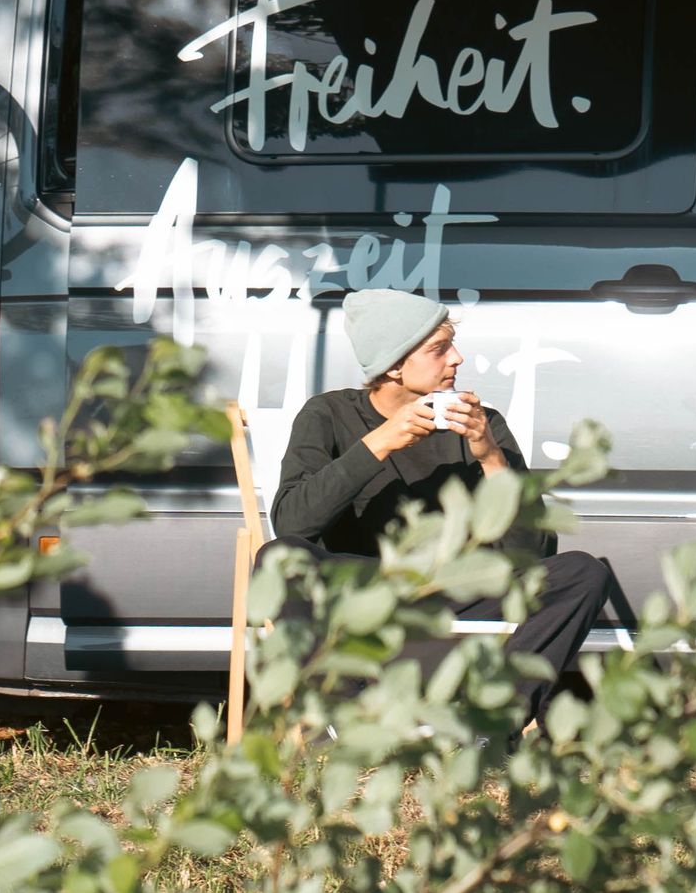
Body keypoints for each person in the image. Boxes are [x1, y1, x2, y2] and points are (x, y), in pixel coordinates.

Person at [260, 289, 624, 729]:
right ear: (392, 365)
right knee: (280, 559)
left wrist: (490, 456)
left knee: (583, 572)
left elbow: (534, 553)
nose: (457, 358)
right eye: (438, 349)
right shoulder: (328, 415)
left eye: (451, 345)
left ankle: (493, 725)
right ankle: (343, 718)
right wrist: (381, 442)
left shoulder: (480, 423)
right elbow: (292, 523)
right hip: (363, 593)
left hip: (457, 592)